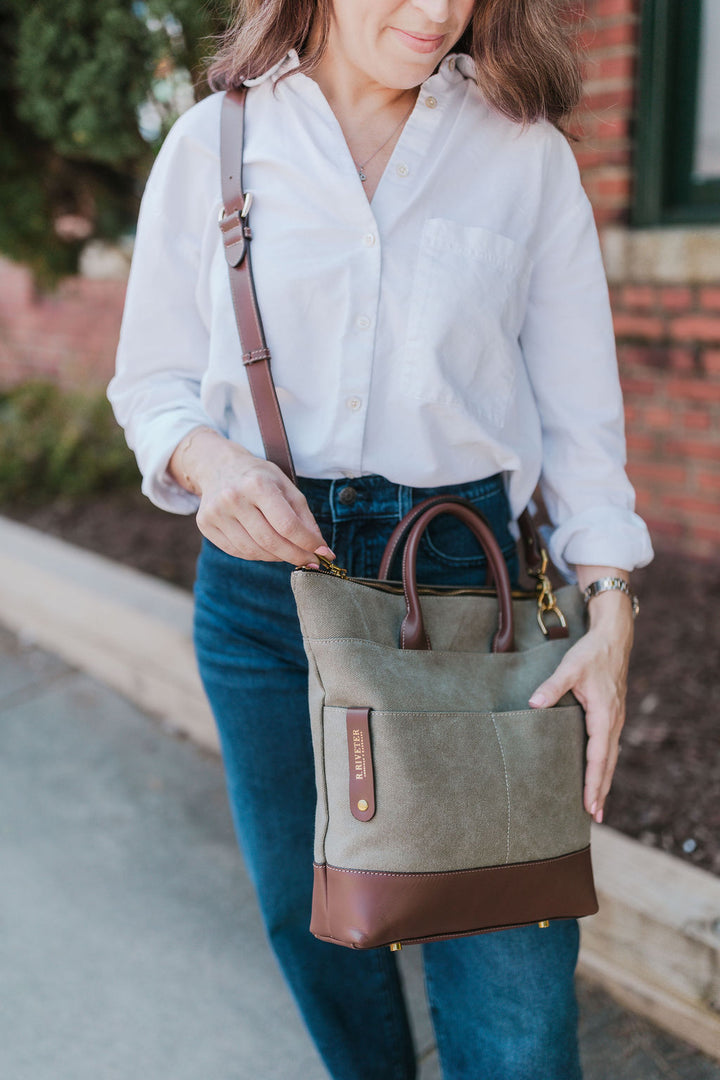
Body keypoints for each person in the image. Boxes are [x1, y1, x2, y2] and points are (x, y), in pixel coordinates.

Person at [109, 1, 654, 1076]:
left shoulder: (523, 157)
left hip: (469, 588)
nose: (436, 9)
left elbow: (583, 422)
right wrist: (206, 462)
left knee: (515, 995)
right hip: (268, 598)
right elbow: (153, 380)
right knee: (318, 928)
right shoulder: (213, 143)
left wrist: (612, 601)